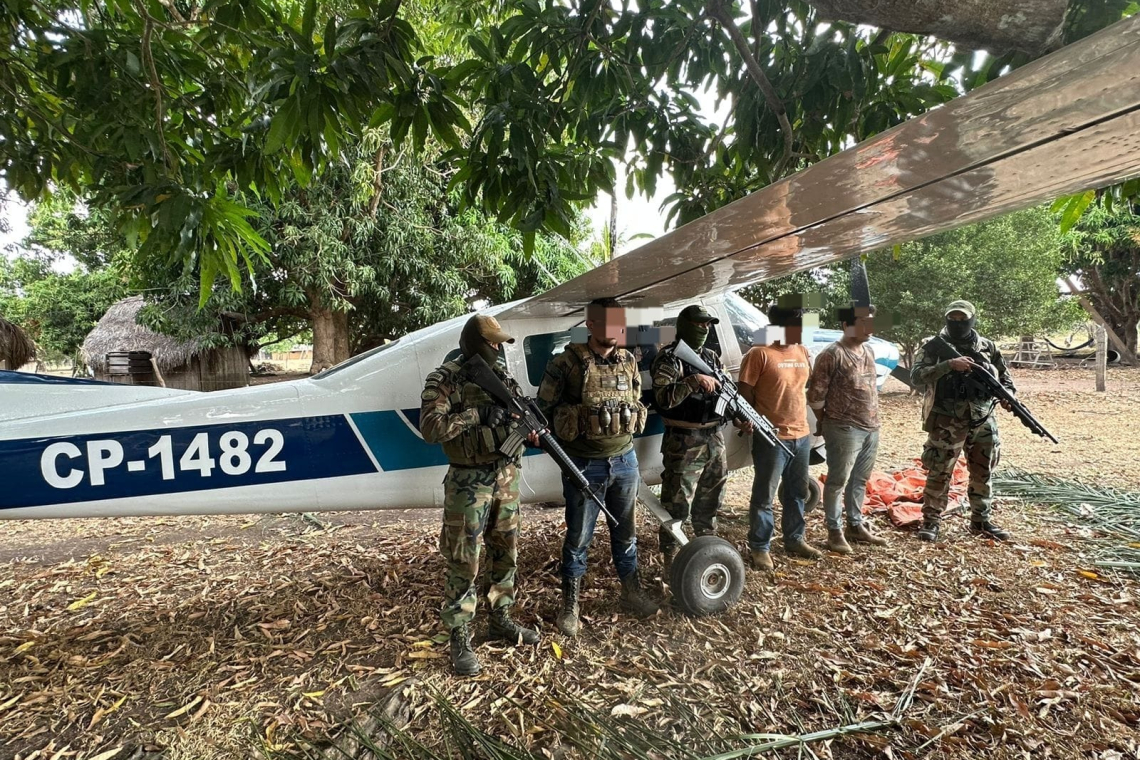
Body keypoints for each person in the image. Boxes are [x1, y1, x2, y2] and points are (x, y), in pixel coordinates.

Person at [420, 314, 540, 676]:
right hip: (467, 483)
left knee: (506, 549)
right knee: (464, 559)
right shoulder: (445, 378)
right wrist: (478, 414)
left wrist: (528, 430)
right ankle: (459, 633)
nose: (498, 349)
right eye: (492, 343)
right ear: (475, 343)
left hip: (505, 476)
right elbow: (430, 428)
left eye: (500, 343)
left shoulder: (502, 376)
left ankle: (500, 617)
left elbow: (513, 419)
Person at [536, 297, 659, 637]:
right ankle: (570, 604)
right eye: (607, 322)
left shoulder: (629, 361)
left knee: (626, 533)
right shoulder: (566, 363)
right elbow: (544, 411)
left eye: (620, 322)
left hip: (624, 460)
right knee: (578, 538)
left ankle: (631, 590)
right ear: (590, 325)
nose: (616, 329)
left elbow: (633, 402)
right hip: (584, 464)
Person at [911, 300, 1015, 543]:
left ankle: (981, 520)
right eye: (953, 318)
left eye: (962, 319)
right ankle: (931, 522)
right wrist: (948, 365)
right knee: (939, 470)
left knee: (983, 471)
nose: (957, 323)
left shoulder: (988, 347)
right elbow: (916, 376)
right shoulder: (933, 347)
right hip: (947, 419)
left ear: (972, 319)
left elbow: (1006, 381)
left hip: (983, 418)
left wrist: (1010, 397)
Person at [650, 305, 734, 571]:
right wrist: (692, 381)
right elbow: (663, 399)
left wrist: (739, 413)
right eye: (699, 324)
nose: (704, 329)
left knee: (712, 494)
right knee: (677, 501)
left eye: (707, 325)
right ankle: (670, 556)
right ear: (684, 325)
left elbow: (726, 391)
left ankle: (706, 547)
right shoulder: (669, 360)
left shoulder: (711, 357)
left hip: (714, 436)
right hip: (684, 440)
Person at [738, 303, 821, 569]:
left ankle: (795, 538)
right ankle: (760, 546)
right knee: (764, 494)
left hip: (801, 434)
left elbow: (801, 390)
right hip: (771, 437)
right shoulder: (758, 354)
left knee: (796, 492)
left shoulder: (802, 351)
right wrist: (751, 422)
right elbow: (744, 397)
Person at [806, 304, 888, 553]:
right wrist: (823, 421)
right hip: (843, 427)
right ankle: (834, 531)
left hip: (870, 427)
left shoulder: (869, 351)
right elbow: (816, 395)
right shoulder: (832, 354)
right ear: (846, 325)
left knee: (859, 480)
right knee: (837, 481)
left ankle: (855, 524)